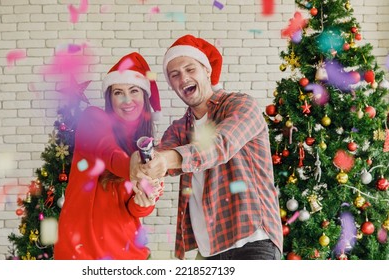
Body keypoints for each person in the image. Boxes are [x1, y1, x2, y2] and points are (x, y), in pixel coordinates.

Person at [130, 34, 283, 260]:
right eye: (175, 75)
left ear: (207, 71)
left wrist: (164, 160)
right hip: (208, 250)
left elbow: (220, 144)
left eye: (190, 69)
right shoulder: (179, 128)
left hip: (252, 242)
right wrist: (138, 161)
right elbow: (159, 158)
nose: (183, 78)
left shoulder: (240, 105)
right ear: (171, 85)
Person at [54, 52, 164, 260]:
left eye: (134, 91)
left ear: (144, 97)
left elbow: (135, 210)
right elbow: (109, 153)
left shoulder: (148, 150)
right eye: (118, 92)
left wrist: (145, 202)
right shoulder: (93, 119)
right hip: (80, 253)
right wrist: (135, 168)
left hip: (128, 255)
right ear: (109, 98)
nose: (126, 100)